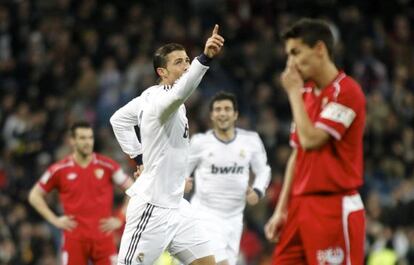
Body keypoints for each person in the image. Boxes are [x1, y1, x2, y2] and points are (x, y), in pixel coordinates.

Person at [109, 25, 224, 265]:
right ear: (162, 71)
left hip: (177, 206)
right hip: (152, 207)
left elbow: (118, 120)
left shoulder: (149, 96)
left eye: (188, 60)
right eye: (179, 63)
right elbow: (182, 92)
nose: (186, 66)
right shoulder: (162, 100)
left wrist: (140, 159)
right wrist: (204, 59)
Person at [264, 18, 366, 265]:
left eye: (296, 52)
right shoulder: (307, 95)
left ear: (319, 49)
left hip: (333, 207)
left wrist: (292, 93)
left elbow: (311, 140)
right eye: (289, 55)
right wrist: (282, 209)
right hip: (300, 207)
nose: (291, 63)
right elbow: (297, 153)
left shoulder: (347, 91)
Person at [28, 121, 134, 265]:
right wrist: (54, 220)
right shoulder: (59, 170)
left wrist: (120, 218)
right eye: (82, 138)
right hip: (74, 239)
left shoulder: (107, 165)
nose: (87, 142)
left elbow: (133, 189)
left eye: (90, 138)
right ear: (72, 141)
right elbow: (34, 195)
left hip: (103, 238)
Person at [184, 91, 271, 265]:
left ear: (235, 114)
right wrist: (183, 182)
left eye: (227, 109)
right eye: (217, 109)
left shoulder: (251, 141)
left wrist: (258, 191)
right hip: (205, 214)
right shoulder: (200, 142)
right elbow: (182, 171)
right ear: (211, 115)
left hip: (234, 219)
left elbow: (263, 170)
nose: (222, 113)